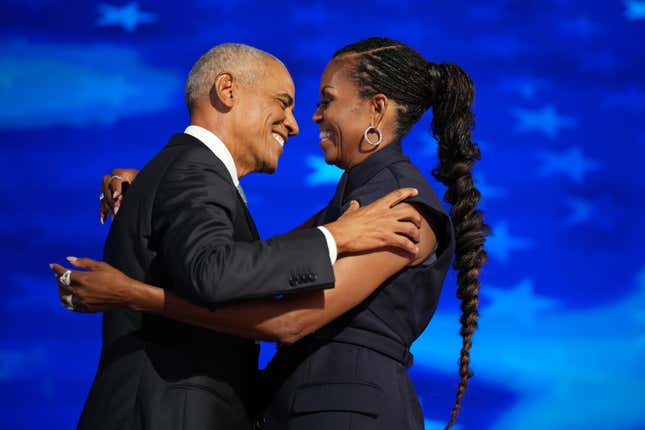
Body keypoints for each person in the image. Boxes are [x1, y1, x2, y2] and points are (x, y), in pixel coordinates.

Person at [52, 37, 489, 429]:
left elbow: (292, 320)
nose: (309, 118)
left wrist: (134, 293)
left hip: (347, 411)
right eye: (291, 103)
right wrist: (155, 187)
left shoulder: (397, 205)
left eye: (326, 100)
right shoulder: (352, 205)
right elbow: (255, 263)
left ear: (376, 109)